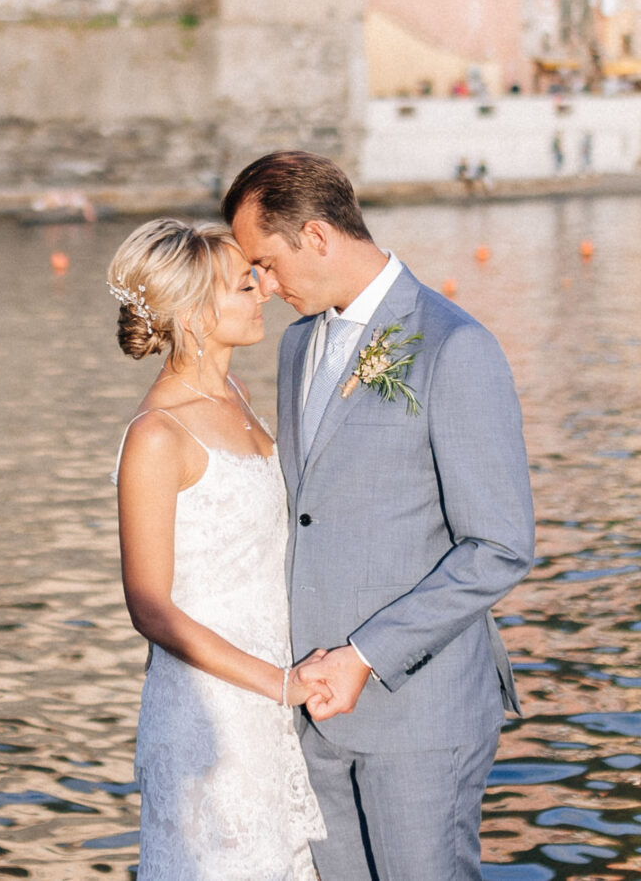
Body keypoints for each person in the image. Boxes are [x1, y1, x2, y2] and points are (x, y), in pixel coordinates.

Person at [225, 151, 535, 881]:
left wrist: (363, 655)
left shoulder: (455, 346)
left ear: (316, 237)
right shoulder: (301, 344)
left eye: (266, 263)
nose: (263, 288)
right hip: (315, 708)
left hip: (417, 711)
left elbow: (499, 546)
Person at [109, 218, 326, 881]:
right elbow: (149, 606)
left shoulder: (237, 394)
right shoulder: (157, 435)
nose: (264, 288)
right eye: (244, 283)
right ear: (198, 313)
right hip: (214, 713)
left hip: (276, 699)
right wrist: (276, 683)